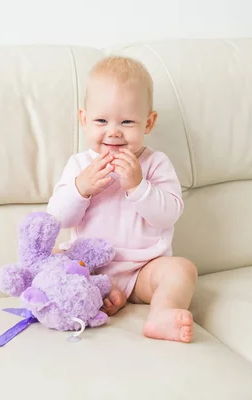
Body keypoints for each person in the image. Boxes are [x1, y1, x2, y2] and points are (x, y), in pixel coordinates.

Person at [46, 55, 197, 342]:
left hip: (143, 270)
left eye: (127, 121)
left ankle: (162, 314)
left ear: (148, 123)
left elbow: (169, 214)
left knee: (182, 271)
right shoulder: (80, 165)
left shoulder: (155, 163)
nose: (113, 131)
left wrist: (138, 186)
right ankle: (97, 295)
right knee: (52, 259)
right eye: (101, 120)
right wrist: (81, 189)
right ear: (84, 120)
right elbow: (57, 219)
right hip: (89, 267)